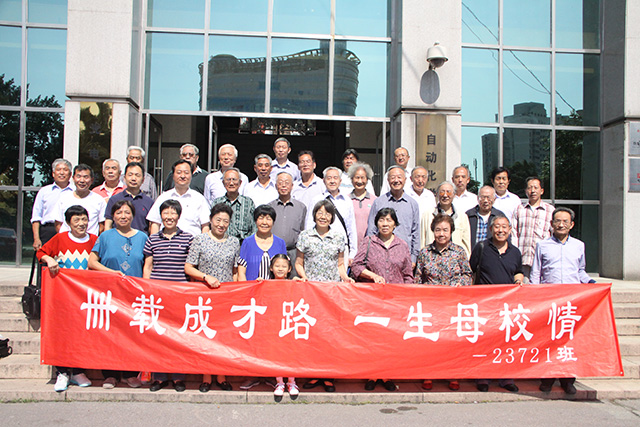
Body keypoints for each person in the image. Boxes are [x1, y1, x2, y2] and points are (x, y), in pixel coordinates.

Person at [530, 207, 595, 395]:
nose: (561, 224)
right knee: (549, 340)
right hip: (549, 301)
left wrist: (591, 283)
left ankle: (568, 380)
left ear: (572, 225)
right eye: (557, 221)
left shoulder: (579, 245)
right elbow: (536, 272)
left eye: (565, 221)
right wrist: (533, 296)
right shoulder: (542, 245)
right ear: (551, 224)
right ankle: (547, 378)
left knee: (569, 341)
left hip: (571, 301)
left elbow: (580, 271)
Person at [88, 200, 148, 389]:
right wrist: (112, 273)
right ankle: (110, 375)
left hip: (134, 295)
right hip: (110, 293)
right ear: (113, 216)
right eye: (119, 212)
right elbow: (92, 262)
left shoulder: (143, 237)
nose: (123, 216)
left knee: (132, 334)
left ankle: (130, 374)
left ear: (133, 215)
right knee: (110, 334)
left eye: (127, 212)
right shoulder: (105, 236)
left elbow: (148, 264)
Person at [36, 205, 97, 392]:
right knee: (62, 334)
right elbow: (41, 253)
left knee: (82, 334)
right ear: (68, 223)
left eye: (84, 219)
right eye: (76, 220)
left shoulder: (94, 240)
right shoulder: (60, 238)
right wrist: (49, 259)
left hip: (85, 298)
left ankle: (78, 372)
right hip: (62, 297)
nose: (81, 223)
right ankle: (61, 372)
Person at [351, 207, 412, 393]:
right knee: (373, 337)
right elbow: (356, 266)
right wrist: (372, 276)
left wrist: (406, 296)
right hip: (372, 300)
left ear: (395, 224)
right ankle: (372, 374)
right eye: (381, 220)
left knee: (390, 339)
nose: (385, 224)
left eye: (389, 220)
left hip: (394, 301)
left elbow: (408, 275)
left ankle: (387, 374)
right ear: (376, 223)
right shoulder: (369, 242)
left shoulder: (402, 245)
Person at [297, 200, 353, 393]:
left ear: (332, 217)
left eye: (327, 213)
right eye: (320, 213)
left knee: (330, 334)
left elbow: (340, 264)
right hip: (311, 293)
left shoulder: (338, 237)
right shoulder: (305, 236)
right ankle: (313, 373)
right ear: (314, 215)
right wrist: (304, 277)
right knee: (313, 333)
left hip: (332, 293)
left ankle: (328, 375)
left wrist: (346, 278)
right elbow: (298, 263)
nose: (323, 216)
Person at [185, 203, 240, 392]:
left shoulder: (234, 242)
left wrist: (234, 291)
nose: (221, 224)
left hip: (225, 297)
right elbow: (188, 267)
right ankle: (206, 376)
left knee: (223, 338)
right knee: (205, 337)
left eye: (225, 221)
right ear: (210, 220)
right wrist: (205, 277)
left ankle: (222, 376)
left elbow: (234, 270)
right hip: (204, 296)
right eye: (218, 220)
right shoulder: (199, 240)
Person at [414, 213, 472, 392]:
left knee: (451, 341)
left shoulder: (459, 252)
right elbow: (418, 278)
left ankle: (452, 374)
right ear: (433, 231)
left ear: (451, 231)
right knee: (430, 341)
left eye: (445, 230)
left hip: (453, 304)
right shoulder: (424, 253)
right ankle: (429, 374)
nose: (441, 234)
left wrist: (458, 285)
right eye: (438, 230)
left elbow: (467, 275)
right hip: (430, 305)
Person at [469, 215, 524, 393]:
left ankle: (506, 377)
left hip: (507, 306)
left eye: (504, 227)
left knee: (506, 341)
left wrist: (519, 279)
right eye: (497, 227)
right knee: (485, 341)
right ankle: (483, 377)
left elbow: (518, 271)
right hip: (484, 304)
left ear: (510, 230)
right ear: (491, 229)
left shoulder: (515, 252)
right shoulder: (482, 248)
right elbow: (471, 270)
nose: (501, 230)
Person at [143, 199, 193, 392]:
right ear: (161, 216)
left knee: (179, 337)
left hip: (180, 295)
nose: (169, 217)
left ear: (178, 216)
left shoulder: (188, 239)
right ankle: (160, 377)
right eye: (166, 213)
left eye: (173, 213)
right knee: (158, 337)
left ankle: (179, 377)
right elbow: (148, 267)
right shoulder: (152, 239)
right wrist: (147, 288)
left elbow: (190, 267)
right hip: (158, 294)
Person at [366, 166, 420, 264]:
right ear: (388, 180)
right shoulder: (379, 202)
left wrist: (413, 258)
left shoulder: (412, 204)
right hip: (381, 256)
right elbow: (371, 230)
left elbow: (415, 233)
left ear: (405, 180)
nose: (396, 180)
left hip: (404, 257)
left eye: (399, 177)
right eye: (393, 177)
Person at [305, 167, 358, 266]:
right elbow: (309, 225)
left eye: (335, 178)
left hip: (342, 248)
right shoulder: (316, 200)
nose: (332, 181)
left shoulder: (347, 201)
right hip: (319, 248)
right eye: (329, 178)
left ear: (340, 181)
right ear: (324, 181)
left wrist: (353, 253)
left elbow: (351, 228)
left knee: (341, 275)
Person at [147, 160, 210, 237]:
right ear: (173, 175)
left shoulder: (199, 198)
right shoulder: (163, 197)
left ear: (191, 175)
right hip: (167, 242)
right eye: (179, 172)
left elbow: (205, 226)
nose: (183, 176)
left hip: (192, 242)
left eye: (186, 173)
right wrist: (155, 242)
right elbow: (155, 223)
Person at [510, 177, 554, 278]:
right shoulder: (519, 209)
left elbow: (553, 235)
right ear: (526, 191)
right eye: (529, 188)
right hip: (523, 260)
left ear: (542, 191)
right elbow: (514, 234)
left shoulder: (550, 210)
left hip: (543, 261)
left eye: (536, 187)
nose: (532, 191)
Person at [270, 254, 300, 398]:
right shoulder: (267, 284)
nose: (280, 269)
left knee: (291, 353)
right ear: (271, 268)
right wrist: (259, 284)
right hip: (274, 325)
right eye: (277, 266)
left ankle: (292, 382)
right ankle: (279, 382)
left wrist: (299, 282)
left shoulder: (293, 283)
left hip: (289, 324)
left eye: (284, 266)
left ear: (289, 269)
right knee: (277, 354)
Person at [420, 181, 472, 258]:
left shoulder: (462, 216)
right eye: (442, 192)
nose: (445, 195)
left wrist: (465, 258)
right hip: (432, 259)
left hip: (455, 260)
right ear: (437, 194)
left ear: (454, 195)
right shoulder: (427, 215)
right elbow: (422, 240)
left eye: (448, 192)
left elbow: (466, 243)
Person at [31, 158, 74, 250]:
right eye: (58, 170)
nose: (61, 173)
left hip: (70, 230)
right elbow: (36, 217)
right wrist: (36, 238)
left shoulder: (75, 192)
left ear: (70, 174)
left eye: (65, 170)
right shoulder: (44, 191)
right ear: (53, 174)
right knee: (45, 258)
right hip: (48, 231)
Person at [54, 164, 106, 236]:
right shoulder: (64, 198)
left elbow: (102, 225)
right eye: (78, 176)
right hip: (67, 241)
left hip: (90, 241)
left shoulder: (99, 200)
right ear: (73, 178)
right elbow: (58, 223)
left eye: (86, 177)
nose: (82, 180)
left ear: (92, 180)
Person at [238, 205, 287, 281]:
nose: (264, 222)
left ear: (273, 222)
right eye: (261, 218)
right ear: (255, 221)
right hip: (252, 287)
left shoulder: (280, 243)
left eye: (268, 219)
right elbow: (241, 273)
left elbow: (284, 269)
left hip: (274, 287)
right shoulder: (247, 242)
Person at [268, 172, 307, 264]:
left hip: (294, 252)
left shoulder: (301, 207)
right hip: (274, 250)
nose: (283, 186)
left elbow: (303, 230)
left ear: (292, 186)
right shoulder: (270, 207)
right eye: (280, 183)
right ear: (276, 186)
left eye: (287, 183)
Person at [105, 162, 154, 233]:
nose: (133, 178)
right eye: (130, 175)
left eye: (137, 175)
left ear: (143, 180)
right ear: (124, 178)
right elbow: (108, 225)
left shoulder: (149, 202)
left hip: (141, 239)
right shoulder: (114, 199)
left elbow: (152, 227)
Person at [211, 168, 256, 243]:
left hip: (243, 244)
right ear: (223, 183)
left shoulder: (248, 202)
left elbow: (254, 227)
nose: (231, 183)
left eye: (234, 179)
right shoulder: (217, 202)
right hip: (222, 243)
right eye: (228, 180)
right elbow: (212, 226)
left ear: (240, 183)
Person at [348, 162, 377, 249]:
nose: (360, 181)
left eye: (362, 177)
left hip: (370, 246)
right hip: (350, 246)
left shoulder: (375, 200)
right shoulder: (346, 200)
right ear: (352, 179)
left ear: (367, 180)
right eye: (357, 177)